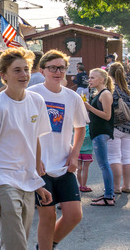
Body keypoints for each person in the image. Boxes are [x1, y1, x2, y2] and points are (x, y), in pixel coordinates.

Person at [0, 48, 53, 250]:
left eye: (26, 69)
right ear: (4, 76)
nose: (24, 75)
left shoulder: (37, 101)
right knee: (17, 246)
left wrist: (37, 182)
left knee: (12, 242)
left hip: (27, 182)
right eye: (17, 70)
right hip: (4, 181)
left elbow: (33, 140)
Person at [27, 50, 87, 250]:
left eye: (61, 68)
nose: (57, 72)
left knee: (74, 215)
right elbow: (25, 129)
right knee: (48, 215)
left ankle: (46, 246)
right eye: (52, 67)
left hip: (64, 164)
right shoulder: (32, 94)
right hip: (40, 167)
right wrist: (35, 159)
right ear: (42, 70)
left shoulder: (73, 97)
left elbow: (80, 127)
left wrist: (74, 155)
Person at [85, 67, 115, 206]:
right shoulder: (99, 93)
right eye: (89, 77)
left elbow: (107, 116)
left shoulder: (105, 94)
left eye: (92, 77)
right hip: (97, 132)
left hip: (101, 132)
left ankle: (109, 196)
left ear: (102, 79)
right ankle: (108, 194)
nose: (89, 80)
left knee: (104, 165)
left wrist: (89, 107)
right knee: (103, 164)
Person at [107, 62, 130, 195]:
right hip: (128, 126)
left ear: (109, 73)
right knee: (127, 156)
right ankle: (127, 185)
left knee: (114, 156)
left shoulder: (111, 90)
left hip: (115, 126)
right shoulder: (127, 89)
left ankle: (115, 187)